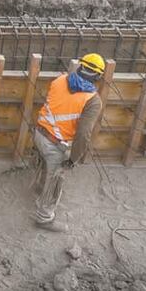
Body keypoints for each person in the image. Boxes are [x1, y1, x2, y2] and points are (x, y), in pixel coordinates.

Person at [33, 54, 105, 231]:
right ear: (98, 76)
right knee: (56, 180)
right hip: (55, 144)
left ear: (80, 66)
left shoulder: (60, 80)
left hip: (39, 133)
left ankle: (40, 187)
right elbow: (83, 134)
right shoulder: (93, 101)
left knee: (45, 163)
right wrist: (73, 159)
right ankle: (44, 218)